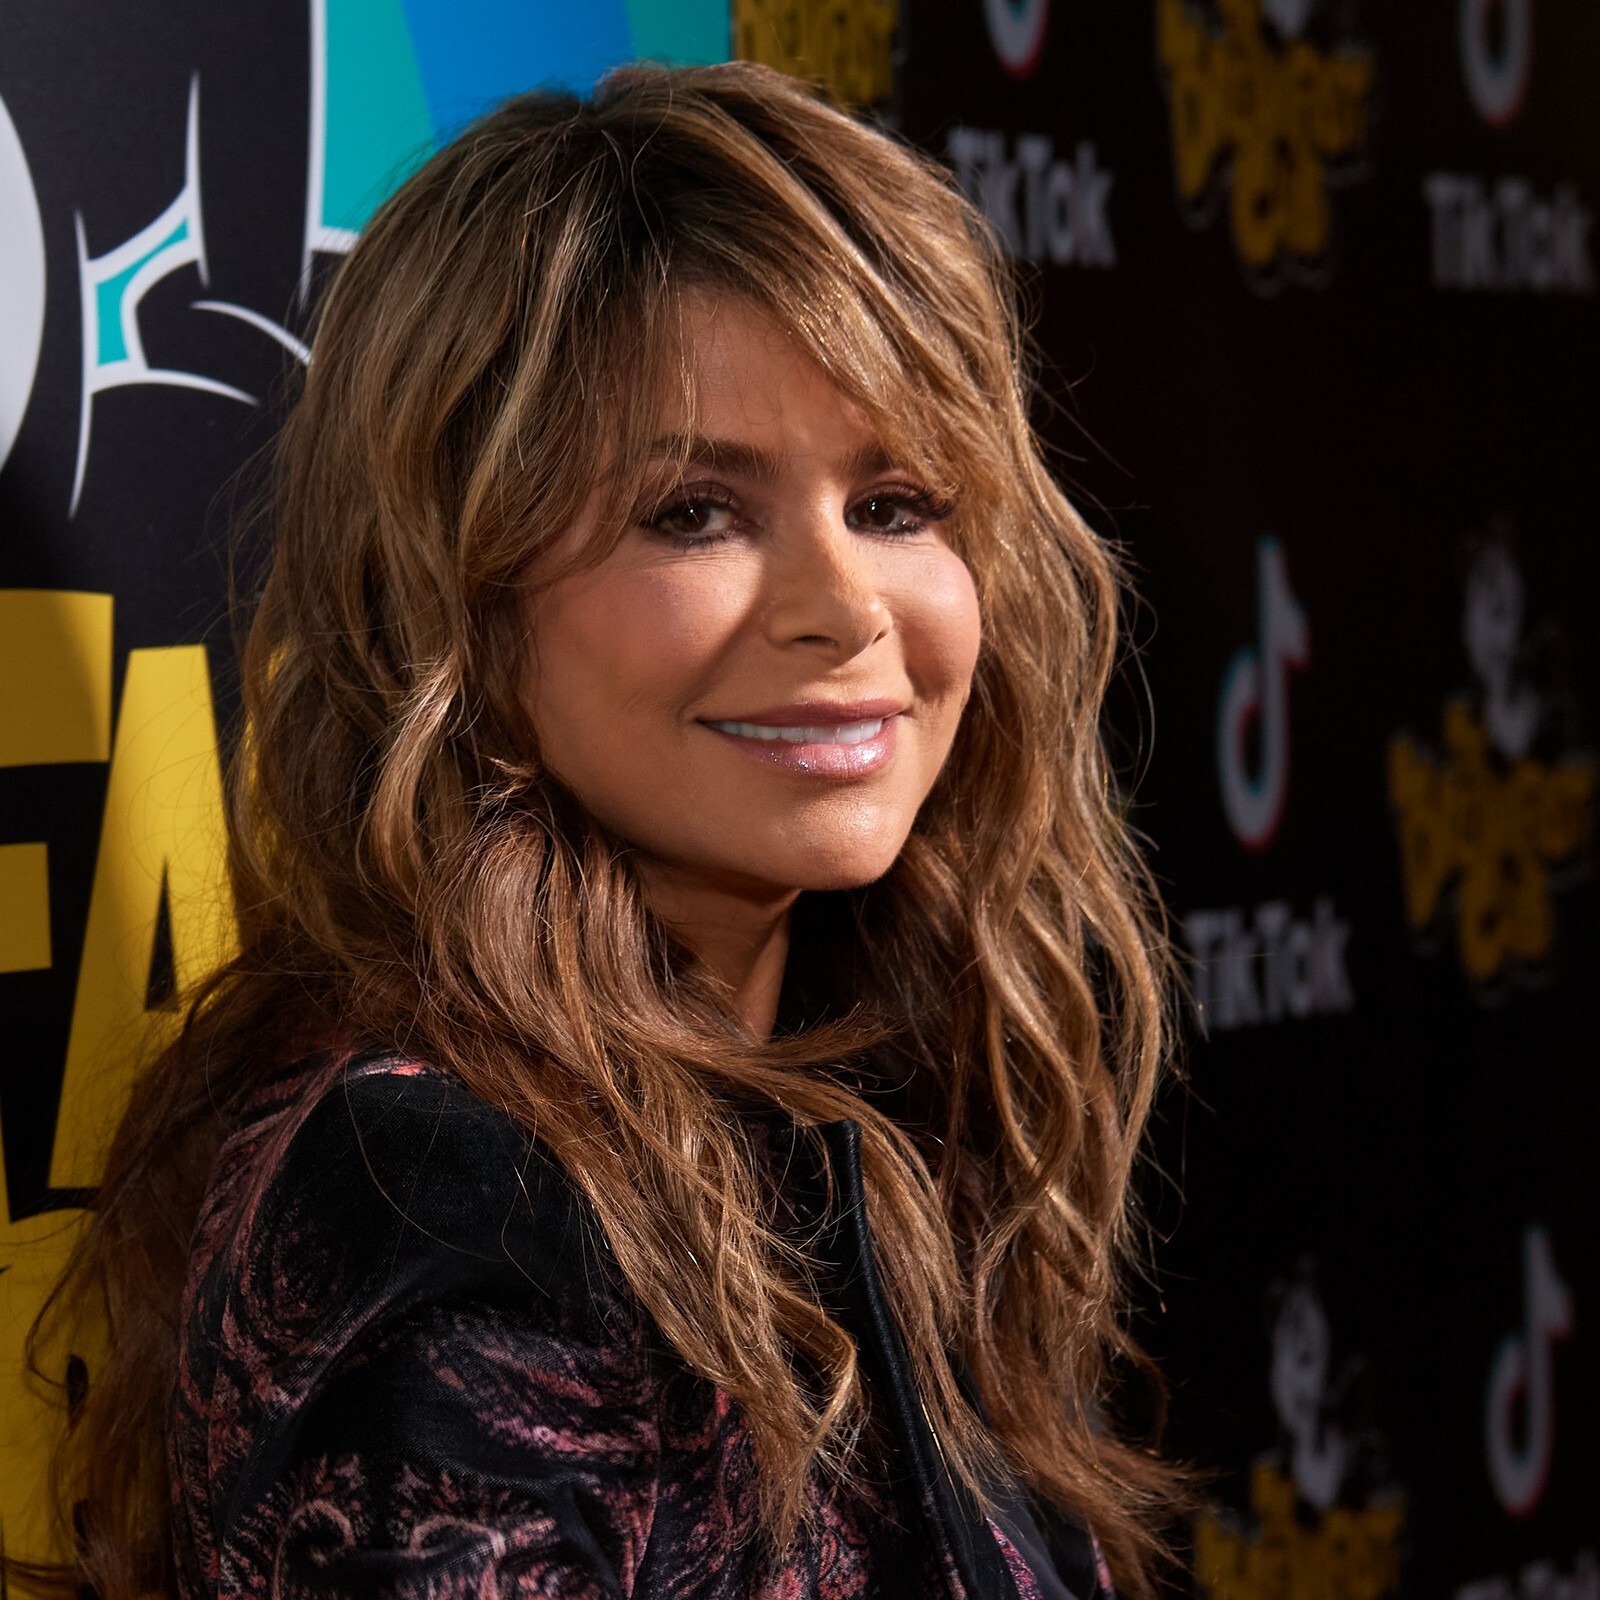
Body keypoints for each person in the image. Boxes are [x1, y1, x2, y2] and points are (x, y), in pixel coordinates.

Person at [30, 60, 1182, 1600]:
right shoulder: (447, 1192)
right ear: (460, 598)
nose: (845, 609)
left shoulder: (889, 1089)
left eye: (897, 504)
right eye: (694, 512)